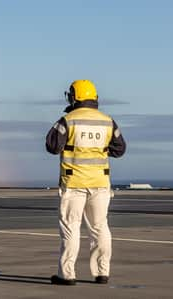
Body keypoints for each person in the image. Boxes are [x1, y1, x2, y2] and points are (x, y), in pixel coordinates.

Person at [45, 80, 126, 285]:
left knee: (71, 228)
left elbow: (52, 145)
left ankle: (67, 275)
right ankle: (102, 273)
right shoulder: (108, 121)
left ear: (74, 97)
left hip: (74, 184)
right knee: (100, 227)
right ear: (95, 98)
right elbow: (120, 149)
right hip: (100, 183)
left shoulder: (68, 120)